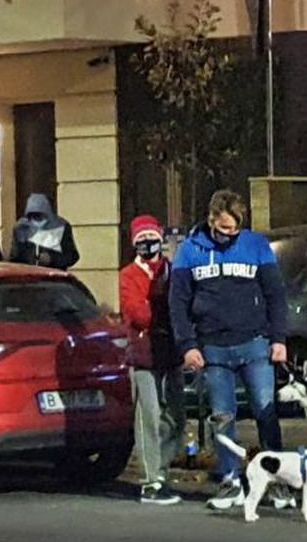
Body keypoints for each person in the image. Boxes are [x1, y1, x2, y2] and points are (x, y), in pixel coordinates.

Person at [169, 190, 288, 510]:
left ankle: (277, 482)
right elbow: (177, 301)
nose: (228, 236)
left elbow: (276, 294)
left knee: (266, 413)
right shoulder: (190, 251)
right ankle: (230, 480)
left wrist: (279, 339)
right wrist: (187, 345)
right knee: (222, 417)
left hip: (255, 344)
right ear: (211, 221)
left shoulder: (257, 246)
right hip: (213, 349)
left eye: (234, 230)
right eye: (222, 229)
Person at [120, 215, 185, 506]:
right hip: (145, 352)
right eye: (141, 241)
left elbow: (183, 305)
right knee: (148, 415)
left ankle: (164, 468)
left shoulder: (173, 271)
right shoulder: (129, 275)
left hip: (171, 350)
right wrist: (158, 305)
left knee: (175, 413)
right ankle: (151, 479)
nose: (148, 245)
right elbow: (138, 313)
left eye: (152, 239)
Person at [10, 193, 80, 270]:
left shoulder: (61, 227)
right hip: (29, 277)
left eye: (40, 215)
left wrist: (52, 258)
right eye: (33, 216)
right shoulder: (21, 228)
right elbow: (14, 258)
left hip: (54, 277)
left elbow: (72, 256)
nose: (37, 220)